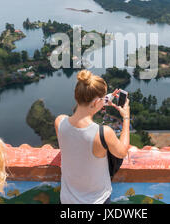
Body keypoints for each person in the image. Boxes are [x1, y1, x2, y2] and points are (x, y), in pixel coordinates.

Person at [55, 69, 131, 204]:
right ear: (96, 103)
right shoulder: (103, 133)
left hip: (67, 200)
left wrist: (102, 100)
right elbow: (122, 152)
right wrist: (126, 117)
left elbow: (79, 115)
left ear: (76, 96)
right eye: (101, 100)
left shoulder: (59, 122)